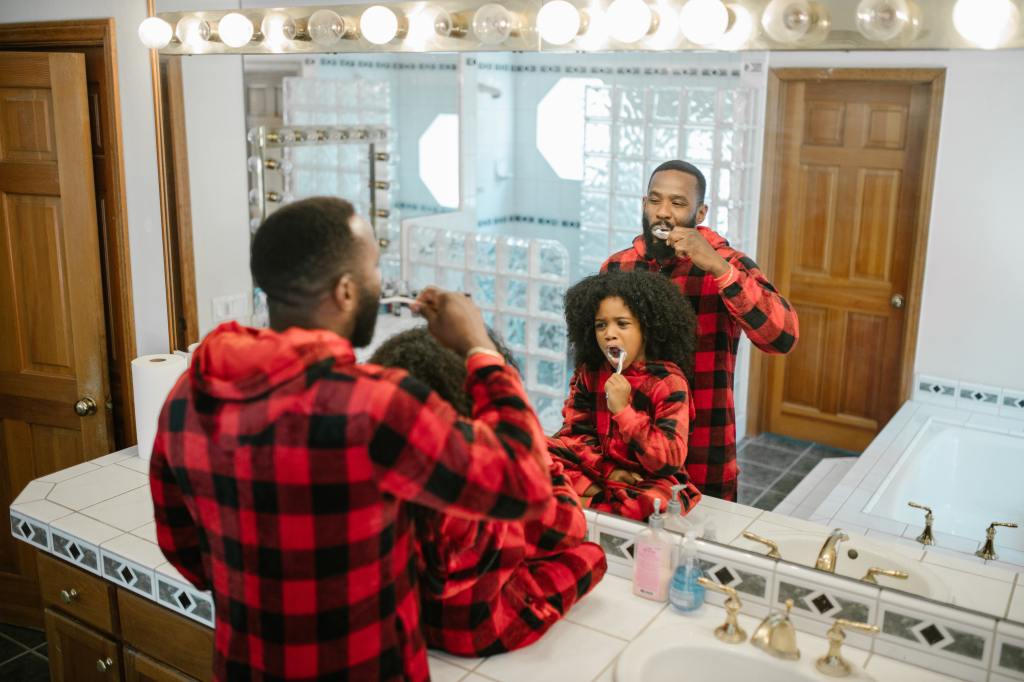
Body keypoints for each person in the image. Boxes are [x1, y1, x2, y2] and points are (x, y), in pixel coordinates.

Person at [149, 197, 555, 681]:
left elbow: (183, 550)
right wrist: (479, 349)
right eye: (374, 269)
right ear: (345, 291)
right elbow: (525, 485)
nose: (380, 284)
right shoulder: (375, 408)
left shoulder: (189, 393)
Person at [369, 327, 607, 656]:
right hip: (476, 629)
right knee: (591, 556)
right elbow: (567, 529)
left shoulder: (376, 461)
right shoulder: (483, 480)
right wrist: (539, 463)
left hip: (408, 618)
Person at [602, 160, 799, 502]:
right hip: (630, 451)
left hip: (703, 449)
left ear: (701, 211)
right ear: (644, 203)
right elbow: (597, 366)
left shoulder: (728, 264)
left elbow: (782, 338)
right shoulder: (618, 267)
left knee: (703, 552)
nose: (663, 212)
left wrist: (718, 268)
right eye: (654, 200)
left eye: (678, 203)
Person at [548, 270, 702, 520]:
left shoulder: (669, 383)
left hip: (650, 478)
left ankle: (589, 501)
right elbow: (575, 434)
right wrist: (608, 471)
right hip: (599, 469)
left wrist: (624, 412)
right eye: (601, 325)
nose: (609, 333)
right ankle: (606, 501)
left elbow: (668, 460)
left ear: (648, 328)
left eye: (622, 323)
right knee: (534, 453)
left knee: (653, 503)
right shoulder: (590, 373)